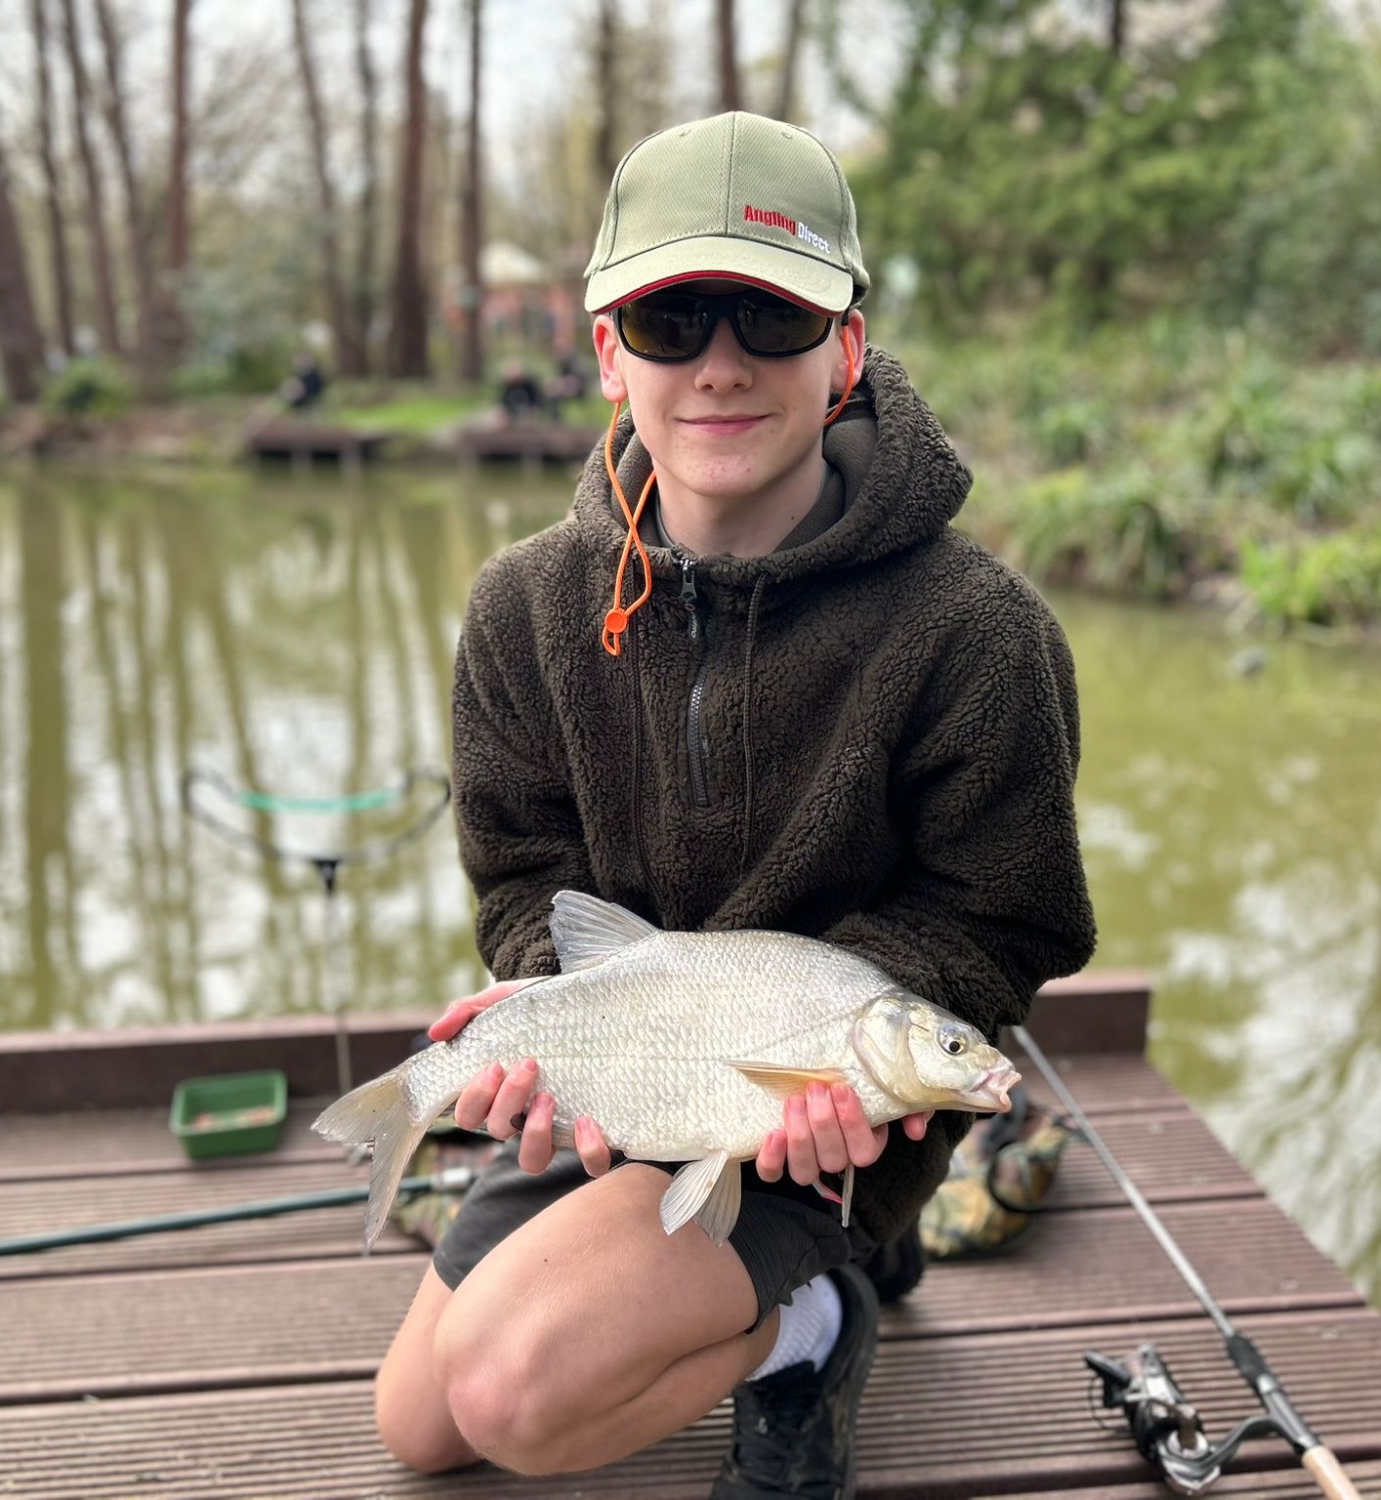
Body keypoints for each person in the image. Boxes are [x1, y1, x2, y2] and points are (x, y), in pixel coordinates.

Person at [373, 111, 1096, 1497]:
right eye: (672, 318)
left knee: (515, 1398)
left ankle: (819, 1320)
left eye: (770, 319)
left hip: (827, 1109)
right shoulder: (519, 608)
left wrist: (851, 1057)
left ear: (847, 349)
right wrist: (547, 1032)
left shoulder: (979, 634)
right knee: (424, 1426)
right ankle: (778, 1278)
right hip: (635, 1076)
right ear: (606, 352)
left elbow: (1005, 921)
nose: (719, 366)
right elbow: (524, 883)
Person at [498, 358, 545, 424]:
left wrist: (531, 411)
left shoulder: (529, 385)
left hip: (528, 415)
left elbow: (537, 402)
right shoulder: (507, 387)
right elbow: (503, 404)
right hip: (512, 416)